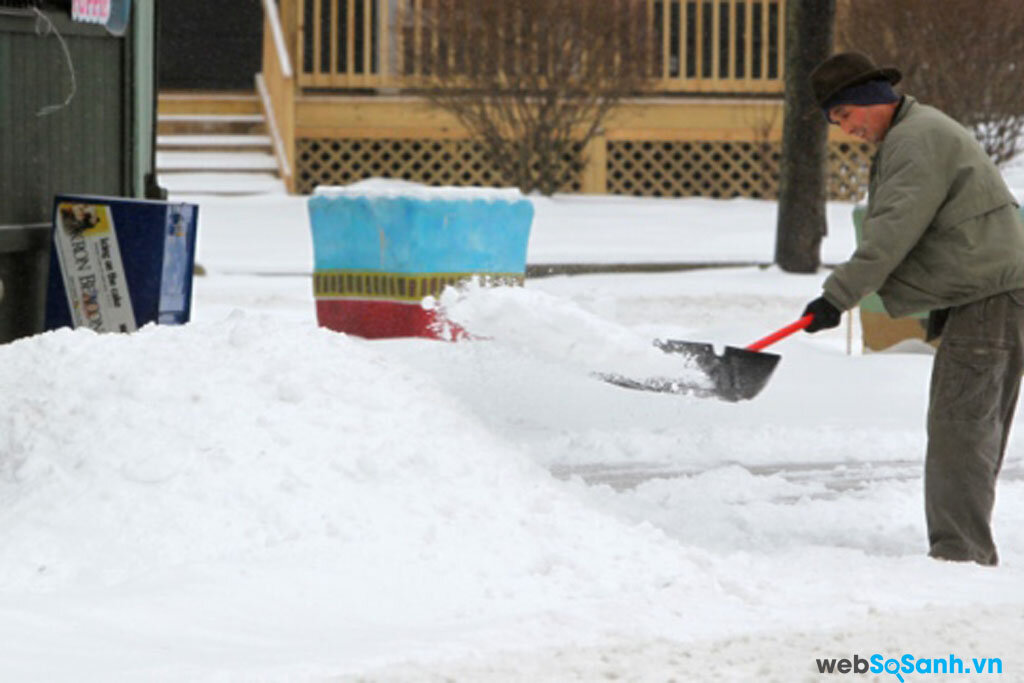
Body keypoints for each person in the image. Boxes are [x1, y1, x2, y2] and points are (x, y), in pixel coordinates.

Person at [801, 51, 1024, 566]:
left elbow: (892, 232)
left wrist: (836, 298)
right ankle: (964, 547)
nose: (846, 130)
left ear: (867, 103)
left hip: (988, 294)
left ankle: (960, 554)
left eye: (844, 117)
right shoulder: (917, 131)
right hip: (993, 291)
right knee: (973, 426)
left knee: (960, 428)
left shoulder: (915, 139)